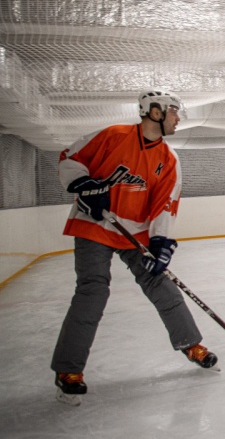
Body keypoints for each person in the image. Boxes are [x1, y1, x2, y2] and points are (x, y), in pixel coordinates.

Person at [52, 89, 216, 406]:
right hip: (96, 225)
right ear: (155, 112)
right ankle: (68, 370)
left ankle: (190, 343)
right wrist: (83, 185)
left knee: (162, 285)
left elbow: (165, 205)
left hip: (136, 233)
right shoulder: (112, 135)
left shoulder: (169, 159)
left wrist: (161, 244)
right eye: (174, 112)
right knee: (92, 291)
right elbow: (69, 159)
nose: (178, 119)